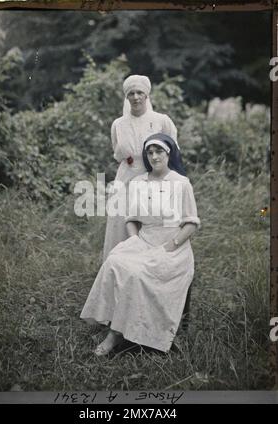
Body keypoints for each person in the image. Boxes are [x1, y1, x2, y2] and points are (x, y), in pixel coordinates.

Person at [80, 133, 200, 356]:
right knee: (115, 261)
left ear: (169, 153)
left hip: (173, 247)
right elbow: (131, 220)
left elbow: (191, 224)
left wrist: (170, 246)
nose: (154, 156)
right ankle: (117, 323)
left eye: (159, 151)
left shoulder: (181, 183)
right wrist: (134, 240)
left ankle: (116, 335)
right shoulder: (138, 183)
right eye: (150, 152)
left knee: (137, 274)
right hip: (143, 240)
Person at [103, 74, 179, 261]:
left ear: (146, 95)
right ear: (126, 97)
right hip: (126, 179)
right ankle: (121, 268)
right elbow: (117, 152)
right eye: (131, 94)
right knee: (122, 223)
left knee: (152, 224)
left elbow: (174, 151)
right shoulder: (118, 125)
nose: (135, 97)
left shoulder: (162, 121)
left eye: (139, 93)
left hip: (154, 178)